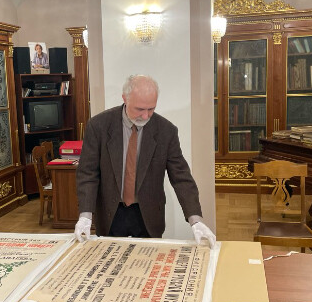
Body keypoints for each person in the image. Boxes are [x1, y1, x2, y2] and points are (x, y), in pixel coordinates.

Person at [74, 75, 216, 247]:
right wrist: (85, 214)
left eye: (151, 109)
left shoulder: (166, 131)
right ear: (125, 98)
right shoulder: (99, 126)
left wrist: (195, 219)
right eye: (140, 109)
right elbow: (88, 173)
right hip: (111, 213)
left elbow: (181, 177)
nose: (146, 115)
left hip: (148, 215)